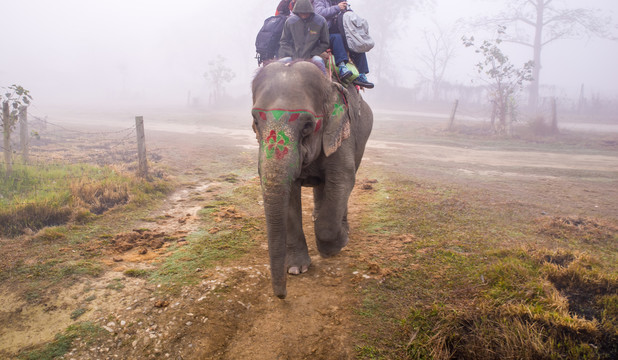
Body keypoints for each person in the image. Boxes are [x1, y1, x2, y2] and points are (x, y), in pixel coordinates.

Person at [313, 0, 374, 88]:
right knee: (337, 38)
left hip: (342, 34)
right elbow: (318, 13)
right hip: (324, 34)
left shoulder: (342, 2)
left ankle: (362, 74)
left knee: (355, 43)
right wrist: (337, 8)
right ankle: (342, 67)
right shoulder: (320, 1)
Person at [278, 0, 329, 73]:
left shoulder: (320, 21)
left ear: (310, 11)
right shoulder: (290, 21)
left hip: (313, 57)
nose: (304, 15)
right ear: (297, 12)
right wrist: (293, 55)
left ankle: (325, 83)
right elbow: (283, 42)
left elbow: (325, 43)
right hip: (293, 57)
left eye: (306, 13)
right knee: (278, 64)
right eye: (301, 13)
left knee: (319, 61)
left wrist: (313, 54)